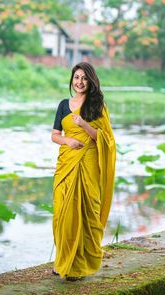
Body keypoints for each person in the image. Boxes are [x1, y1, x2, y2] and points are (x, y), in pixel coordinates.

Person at [51, 62, 116, 281]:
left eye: (84, 78)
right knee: (62, 213)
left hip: (88, 163)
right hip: (66, 164)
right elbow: (54, 135)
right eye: (76, 77)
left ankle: (78, 266)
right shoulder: (62, 104)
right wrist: (67, 140)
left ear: (91, 81)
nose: (79, 82)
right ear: (72, 80)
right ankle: (63, 260)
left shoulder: (96, 106)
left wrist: (83, 124)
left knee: (87, 211)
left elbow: (105, 139)